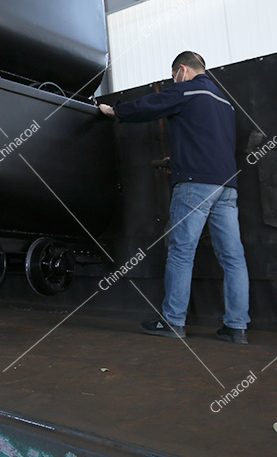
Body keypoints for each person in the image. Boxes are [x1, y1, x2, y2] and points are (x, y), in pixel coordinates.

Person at [99, 51, 250, 344]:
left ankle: (173, 321)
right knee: (233, 258)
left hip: (195, 184)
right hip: (227, 186)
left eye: (173, 77)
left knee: (182, 252)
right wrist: (179, 157)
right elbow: (209, 142)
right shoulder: (224, 102)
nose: (173, 82)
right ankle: (237, 327)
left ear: (182, 70)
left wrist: (116, 111)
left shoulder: (188, 89)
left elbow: (151, 105)